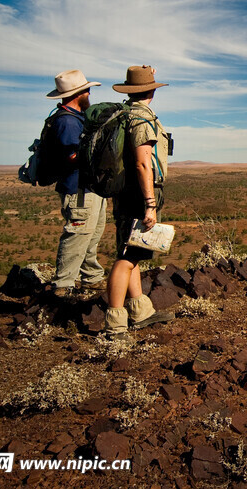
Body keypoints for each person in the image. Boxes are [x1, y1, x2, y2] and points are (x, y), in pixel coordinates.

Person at [104, 65, 175, 339]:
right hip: (138, 193)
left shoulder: (125, 115)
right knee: (125, 257)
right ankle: (114, 323)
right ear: (152, 92)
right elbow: (144, 164)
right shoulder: (141, 120)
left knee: (132, 252)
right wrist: (150, 203)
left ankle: (140, 311)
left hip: (125, 192)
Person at [46, 70, 107, 298]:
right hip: (79, 190)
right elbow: (73, 156)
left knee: (91, 235)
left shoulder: (75, 118)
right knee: (77, 235)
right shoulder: (67, 121)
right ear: (79, 93)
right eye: (86, 90)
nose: (90, 93)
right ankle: (63, 285)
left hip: (90, 187)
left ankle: (91, 278)